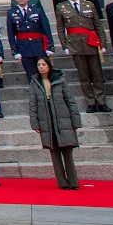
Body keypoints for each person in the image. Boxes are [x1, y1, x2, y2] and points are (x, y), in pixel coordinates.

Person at [27, 56, 82, 189]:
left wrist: (75, 121)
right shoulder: (35, 82)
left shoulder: (60, 80)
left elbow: (70, 101)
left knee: (67, 153)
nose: (41, 67)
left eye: (43, 65)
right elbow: (32, 105)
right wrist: (35, 124)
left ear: (49, 66)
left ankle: (73, 182)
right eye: (39, 65)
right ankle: (62, 183)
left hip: (63, 119)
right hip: (47, 121)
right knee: (54, 153)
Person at [56, 0, 109, 112]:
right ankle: (90, 102)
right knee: (84, 75)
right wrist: (65, 46)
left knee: (97, 74)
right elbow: (60, 28)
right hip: (75, 44)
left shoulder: (89, 5)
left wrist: (102, 43)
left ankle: (101, 101)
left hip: (91, 43)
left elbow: (98, 25)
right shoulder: (61, 7)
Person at [6, 0, 56, 83]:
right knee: (31, 76)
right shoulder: (11, 13)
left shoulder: (37, 11)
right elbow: (11, 34)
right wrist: (14, 50)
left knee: (44, 74)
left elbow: (46, 29)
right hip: (24, 47)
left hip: (39, 46)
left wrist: (50, 46)